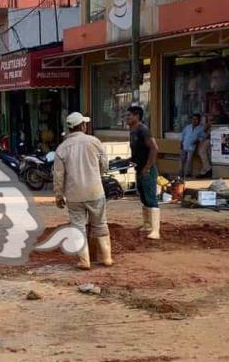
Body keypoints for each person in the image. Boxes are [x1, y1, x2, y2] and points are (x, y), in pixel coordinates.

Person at [53, 112, 112, 270]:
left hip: (74, 195)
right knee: (100, 224)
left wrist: (59, 195)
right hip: (95, 191)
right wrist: (96, 174)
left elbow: (58, 175)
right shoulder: (94, 141)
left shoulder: (62, 148)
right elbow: (104, 164)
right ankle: (106, 258)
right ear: (82, 126)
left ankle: (84, 261)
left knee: (78, 227)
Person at [126, 104, 161, 241]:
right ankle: (147, 225)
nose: (127, 118)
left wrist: (147, 168)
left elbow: (154, 149)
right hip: (139, 169)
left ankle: (155, 230)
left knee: (151, 198)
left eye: (129, 115)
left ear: (137, 116)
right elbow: (138, 151)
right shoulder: (132, 131)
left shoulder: (143, 130)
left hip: (148, 170)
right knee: (143, 197)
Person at [180, 114, 207, 178]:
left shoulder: (201, 128)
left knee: (189, 160)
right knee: (182, 160)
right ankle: (180, 173)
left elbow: (203, 137)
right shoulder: (188, 127)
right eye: (193, 119)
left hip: (192, 146)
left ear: (199, 120)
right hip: (184, 145)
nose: (194, 120)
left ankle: (188, 173)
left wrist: (198, 141)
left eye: (196, 119)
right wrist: (181, 143)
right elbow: (182, 135)